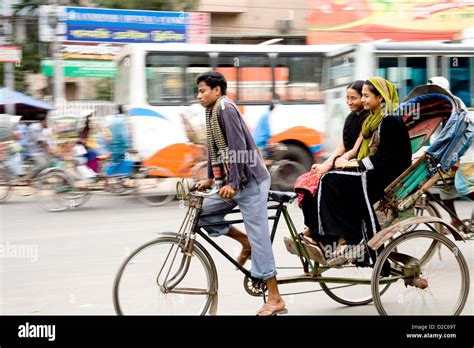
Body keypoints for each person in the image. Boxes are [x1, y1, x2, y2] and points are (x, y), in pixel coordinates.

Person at [194, 71, 286, 316]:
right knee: (201, 212)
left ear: (216, 90)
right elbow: (213, 149)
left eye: (203, 90)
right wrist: (211, 178)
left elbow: (237, 147)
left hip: (251, 182)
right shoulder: (211, 112)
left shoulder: (226, 108)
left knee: (260, 238)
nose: (199, 95)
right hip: (233, 181)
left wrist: (233, 183)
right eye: (199, 91)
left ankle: (275, 298)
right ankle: (243, 241)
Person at [306, 77, 411, 265]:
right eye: (361, 95)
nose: (362, 100)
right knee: (326, 180)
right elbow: (356, 149)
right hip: (374, 172)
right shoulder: (372, 120)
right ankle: (329, 236)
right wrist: (347, 162)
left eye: (365, 96)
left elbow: (385, 158)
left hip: (387, 177)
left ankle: (349, 238)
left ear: (380, 98)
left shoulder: (390, 121)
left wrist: (356, 164)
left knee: (330, 180)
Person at [296, 80, 369, 238]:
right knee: (305, 182)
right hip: (340, 162)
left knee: (322, 182)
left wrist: (329, 166)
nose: (350, 102)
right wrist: (324, 164)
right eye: (347, 98)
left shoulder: (367, 119)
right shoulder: (350, 118)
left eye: (354, 98)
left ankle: (330, 234)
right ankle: (313, 226)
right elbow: (342, 147)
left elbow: (354, 151)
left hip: (353, 166)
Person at [427, 76, 474, 230]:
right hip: (451, 155)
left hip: (467, 151)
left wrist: (454, 158)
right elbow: (436, 135)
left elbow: (459, 132)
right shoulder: (438, 106)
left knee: (463, 186)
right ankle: (455, 220)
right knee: (444, 185)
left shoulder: (455, 106)